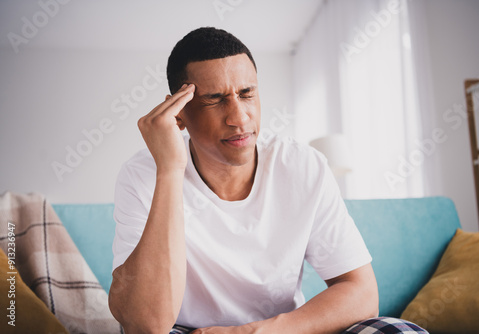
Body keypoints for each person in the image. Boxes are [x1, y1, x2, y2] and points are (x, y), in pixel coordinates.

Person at [108, 27, 428, 334]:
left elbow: (361, 292)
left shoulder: (303, 166)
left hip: (281, 329)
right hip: (191, 330)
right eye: (216, 99)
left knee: (399, 330)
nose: (239, 118)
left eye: (246, 93)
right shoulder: (142, 175)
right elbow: (147, 325)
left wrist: (253, 332)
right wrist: (169, 170)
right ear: (178, 113)